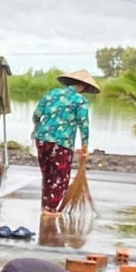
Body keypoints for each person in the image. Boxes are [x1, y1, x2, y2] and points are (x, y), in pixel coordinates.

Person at [33, 70, 98, 214]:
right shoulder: (80, 100)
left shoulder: (52, 94)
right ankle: (49, 209)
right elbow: (83, 124)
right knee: (60, 177)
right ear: (82, 86)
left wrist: (39, 129)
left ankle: (45, 206)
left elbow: (37, 115)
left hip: (42, 140)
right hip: (62, 142)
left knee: (47, 175)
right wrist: (85, 145)